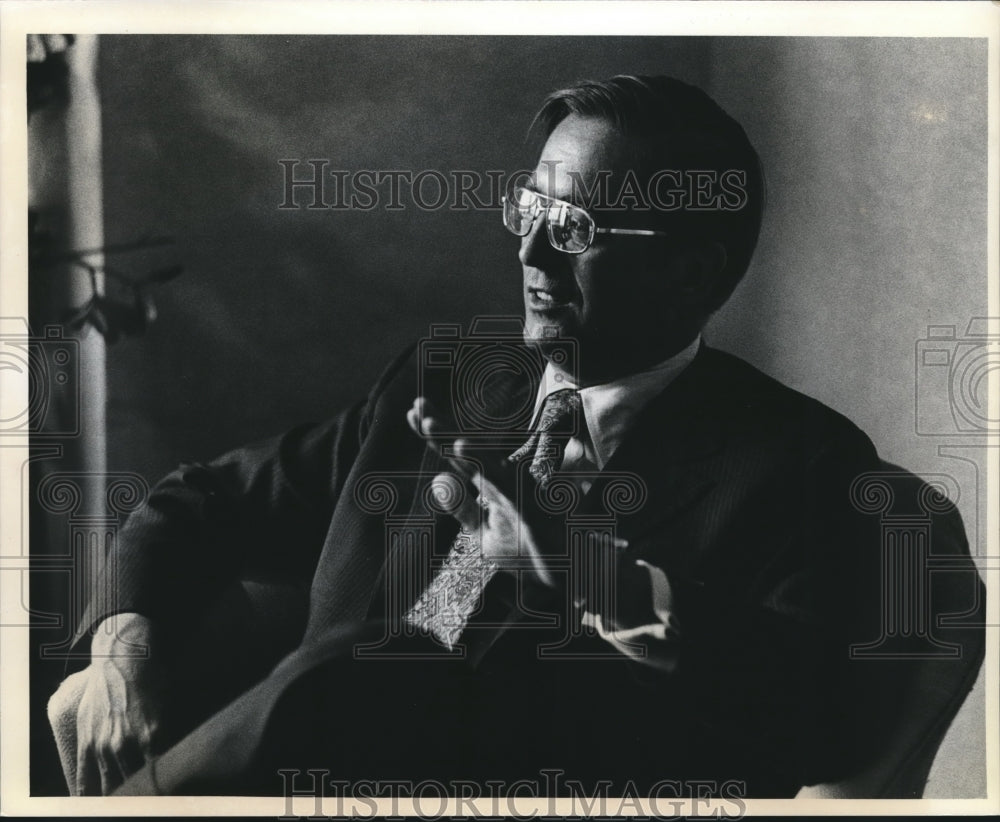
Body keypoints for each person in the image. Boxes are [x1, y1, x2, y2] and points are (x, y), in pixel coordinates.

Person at [63, 75, 894, 797]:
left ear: (692, 271)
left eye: (574, 228)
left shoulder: (799, 466)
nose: (530, 249)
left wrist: (583, 571)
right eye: (530, 208)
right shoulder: (445, 382)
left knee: (347, 673)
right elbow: (201, 500)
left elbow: (827, 721)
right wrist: (120, 647)